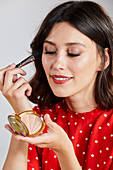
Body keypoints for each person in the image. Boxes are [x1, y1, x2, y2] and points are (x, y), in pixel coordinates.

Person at [1, 1, 113, 170]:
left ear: (104, 59)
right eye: (50, 51)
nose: (57, 64)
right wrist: (23, 112)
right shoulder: (40, 119)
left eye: (73, 53)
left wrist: (64, 151)